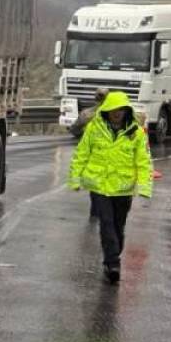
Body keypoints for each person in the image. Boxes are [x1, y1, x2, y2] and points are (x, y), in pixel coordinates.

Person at [68, 90, 153, 283]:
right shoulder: (94, 128)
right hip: (100, 187)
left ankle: (113, 255)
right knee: (106, 223)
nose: (117, 113)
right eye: (114, 109)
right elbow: (81, 154)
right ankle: (112, 262)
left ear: (126, 111)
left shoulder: (136, 133)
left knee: (118, 227)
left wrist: (145, 187)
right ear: (107, 109)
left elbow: (143, 161)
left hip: (123, 189)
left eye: (121, 109)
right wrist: (75, 179)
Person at [70, 88, 110, 218]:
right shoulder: (116, 114)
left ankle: (95, 211)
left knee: (94, 181)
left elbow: (75, 129)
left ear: (95, 98)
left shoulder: (86, 114)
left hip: (92, 152)